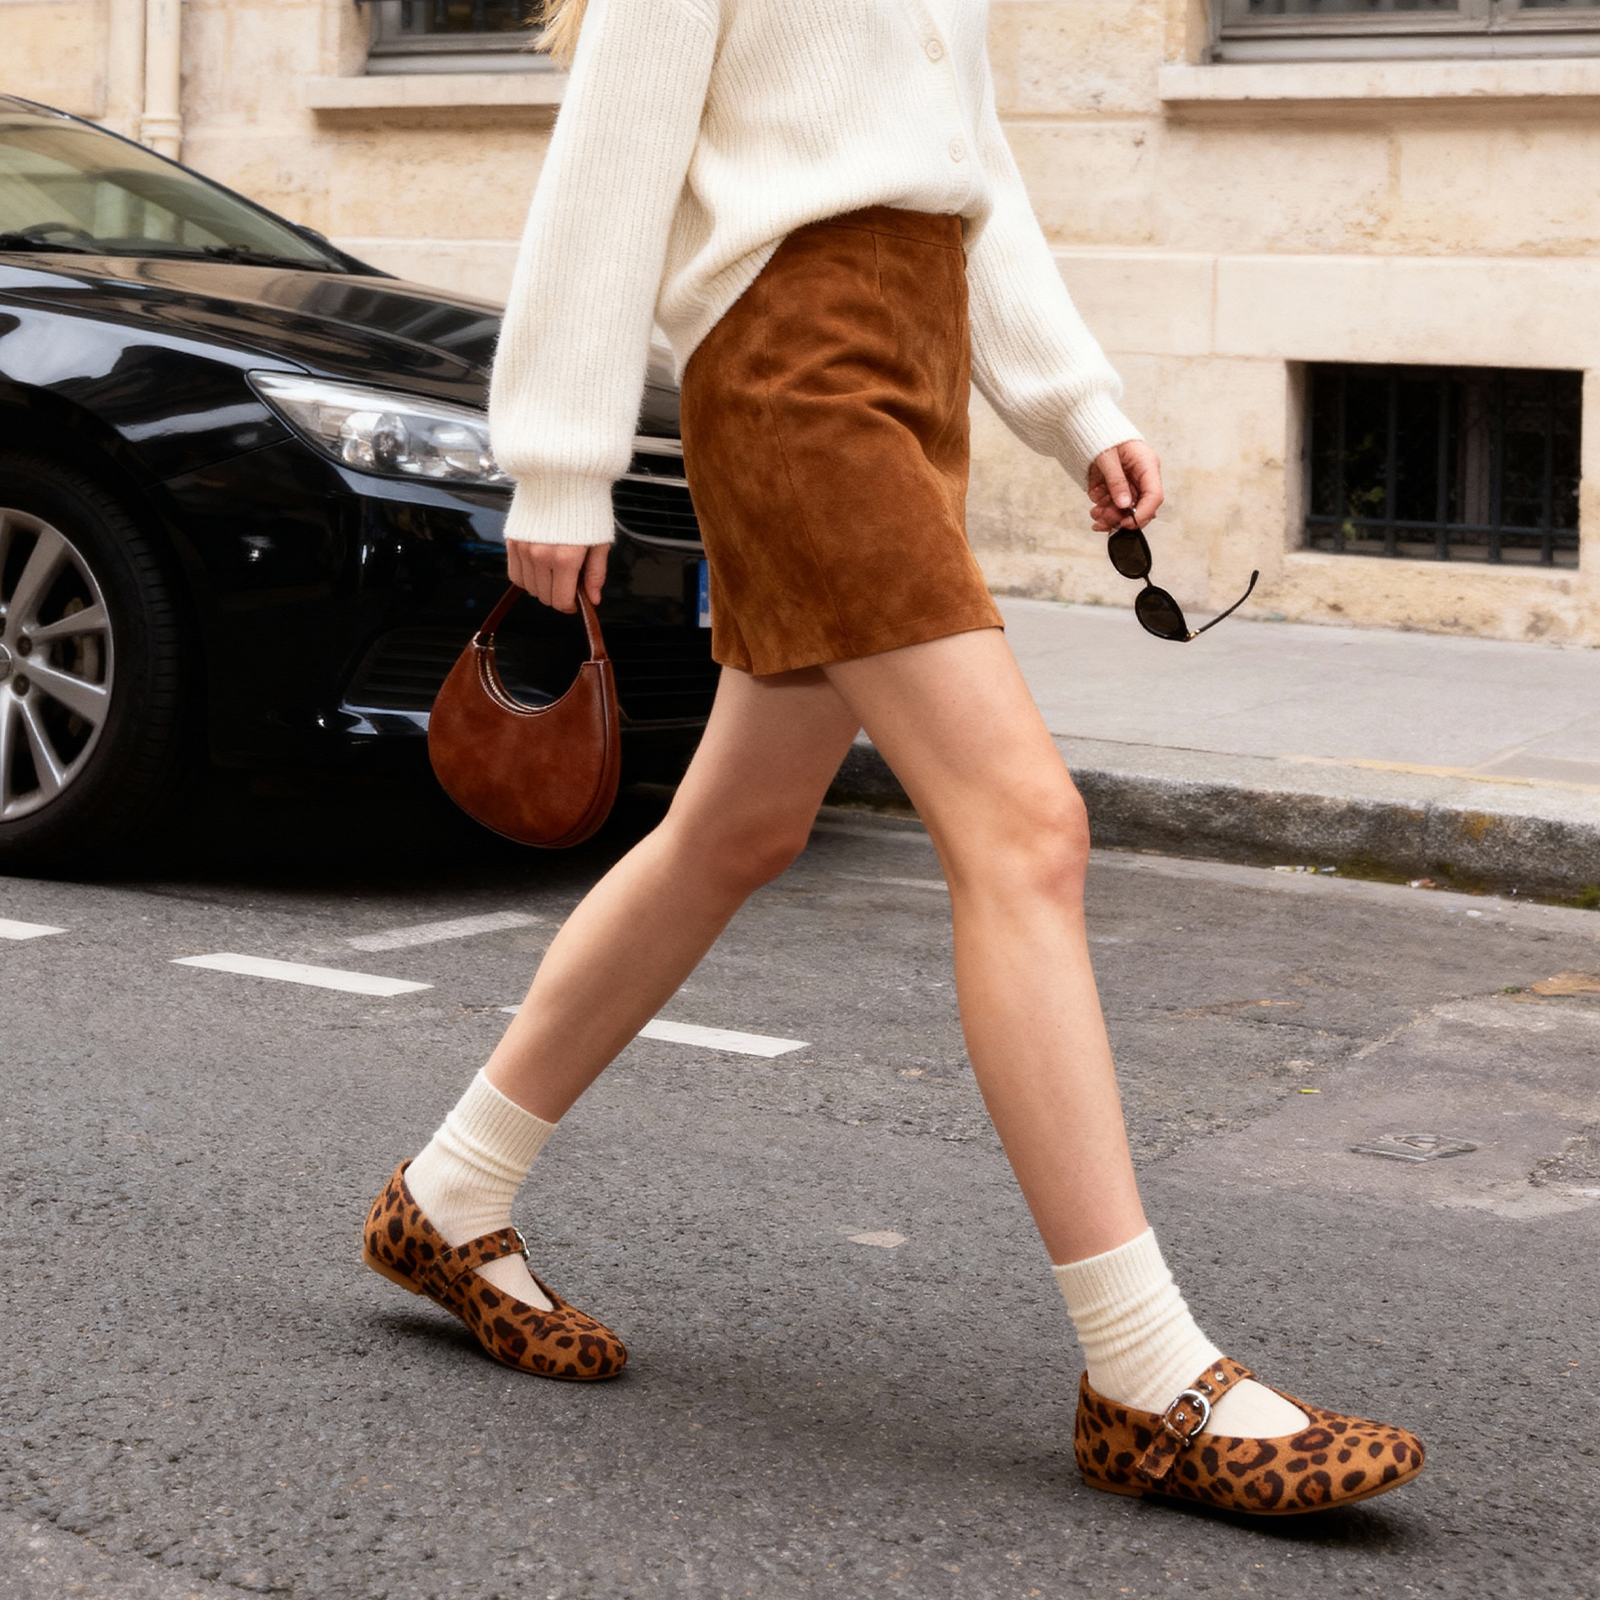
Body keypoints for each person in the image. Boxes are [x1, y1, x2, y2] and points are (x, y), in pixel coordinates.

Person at [362, 0, 1425, 1516]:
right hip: (798, 373)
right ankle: (1145, 1374)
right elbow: (607, 162)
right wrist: (558, 460)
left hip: (909, 368)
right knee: (1027, 829)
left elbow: (963, 165)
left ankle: (450, 1192)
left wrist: (1074, 404)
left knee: (736, 830)